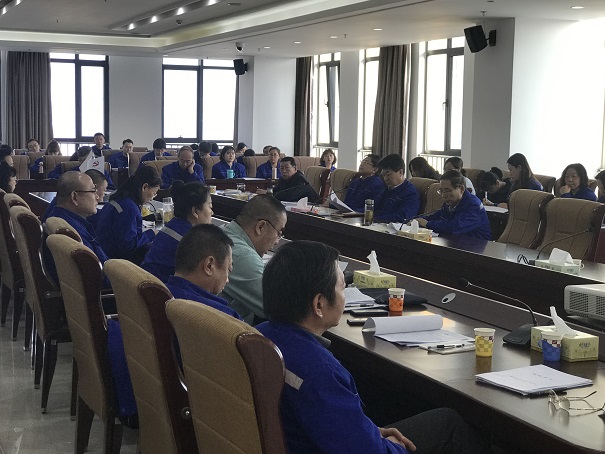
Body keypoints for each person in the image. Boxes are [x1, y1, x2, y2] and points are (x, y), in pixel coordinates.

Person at [257, 240, 491, 454]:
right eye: (342, 288)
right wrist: (394, 447)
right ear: (319, 304)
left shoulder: (261, 335)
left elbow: (331, 424)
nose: (345, 295)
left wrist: (369, 430)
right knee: (449, 425)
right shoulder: (320, 370)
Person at [221, 195, 287, 324]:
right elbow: (282, 308)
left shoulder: (223, 231)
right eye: (279, 233)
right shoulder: (242, 256)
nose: (277, 242)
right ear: (260, 227)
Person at [43, 171, 109, 284]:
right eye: (93, 191)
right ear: (74, 197)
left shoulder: (61, 217)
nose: (98, 197)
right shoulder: (71, 233)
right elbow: (98, 277)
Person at [141, 181, 213, 283]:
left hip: (145, 280)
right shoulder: (191, 240)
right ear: (195, 211)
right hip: (160, 288)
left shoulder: (172, 224)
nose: (212, 212)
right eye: (210, 207)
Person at [166, 224, 242, 320]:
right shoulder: (222, 316)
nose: (227, 280)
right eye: (228, 269)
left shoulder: (156, 293)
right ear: (209, 266)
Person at [96, 166, 161, 264]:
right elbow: (128, 245)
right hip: (116, 260)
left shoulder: (119, 198)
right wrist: (151, 234)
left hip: (106, 252)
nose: (152, 198)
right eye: (154, 193)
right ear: (145, 187)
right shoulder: (129, 207)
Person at [416, 170, 491, 239]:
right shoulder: (451, 202)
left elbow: (456, 227)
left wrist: (428, 224)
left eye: (447, 190)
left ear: (461, 189)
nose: (443, 195)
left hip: (477, 245)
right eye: (441, 191)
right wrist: (417, 220)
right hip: (457, 242)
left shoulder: (473, 204)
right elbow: (438, 216)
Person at [374, 154, 420, 223]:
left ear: (400, 172)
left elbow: (403, 217)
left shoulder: (410, 193)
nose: (385, 178)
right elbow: (374, 207)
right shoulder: (387, 189)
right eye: (383, 175)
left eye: (388, 174)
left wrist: (376, 219)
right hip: (377, 225)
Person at [48, 146, 115, 189]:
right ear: (80, 160)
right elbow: (51, 175)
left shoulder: (103, 171)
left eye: (93, 158)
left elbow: (111, 187)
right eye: (86, 159)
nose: (91, 161)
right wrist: (68, 178)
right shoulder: (74, 171)